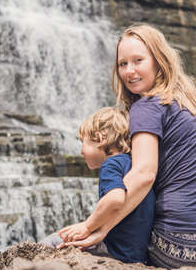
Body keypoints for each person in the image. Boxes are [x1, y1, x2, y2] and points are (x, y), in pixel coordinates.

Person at [61, 24, 196, 269]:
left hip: (183, 250)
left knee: (61, 242)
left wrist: (94, 227)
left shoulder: (146, 107)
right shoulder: (190, 104)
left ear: (158, 60)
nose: (129, 71)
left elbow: (144, 175)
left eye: (138, 60)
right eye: (123, 64)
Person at [45, 107, 155, 264]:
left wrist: (87, 227)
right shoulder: (135, 164)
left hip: (114, 250)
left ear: (100, 137)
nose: (81, 151)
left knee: (52, 242)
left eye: (83, 141)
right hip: (137, 253)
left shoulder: (110, 165)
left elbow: (115, 198)